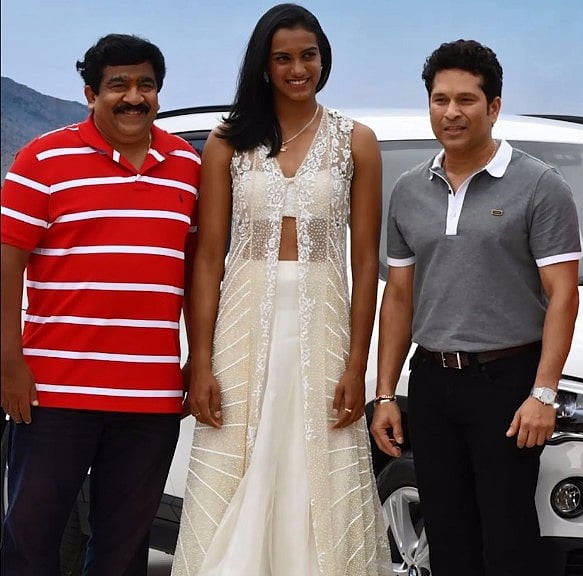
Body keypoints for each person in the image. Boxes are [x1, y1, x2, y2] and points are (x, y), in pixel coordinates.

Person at [170, 4, 389, 575]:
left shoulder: (356, 141)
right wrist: (200, 363)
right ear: (263, 66)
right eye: (283, 58)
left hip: (325, 323)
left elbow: (366, 262)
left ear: (324, 58)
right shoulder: (226, 141)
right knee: (238, 453)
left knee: (320, 457)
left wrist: (357, 363)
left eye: (308, 55)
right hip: (241, 325)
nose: (299, 69)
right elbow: (209, 256)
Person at [369, 39, 581, 576]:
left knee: (508, 538)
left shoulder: (540, 186)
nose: (451, 112)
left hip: (507, 384)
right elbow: (398, 296)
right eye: (440, 100)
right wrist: (385, 392)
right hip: (434, 381)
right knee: (447, 533)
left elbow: (564, 295)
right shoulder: (409, 190)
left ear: (494, 107)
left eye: (466, 100)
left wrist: (543, 392)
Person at [0, 34, 200, 575]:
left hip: (150, 400)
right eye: (119, 85)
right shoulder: (41, 158)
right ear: (91, 93)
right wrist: (9, 364)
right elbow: (6, 267)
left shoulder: (187, 164)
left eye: (146, 85)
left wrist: (196, 361)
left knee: (122, 550)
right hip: (52, 393)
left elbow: (198, 276)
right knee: (30, 539)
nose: (134, 96)